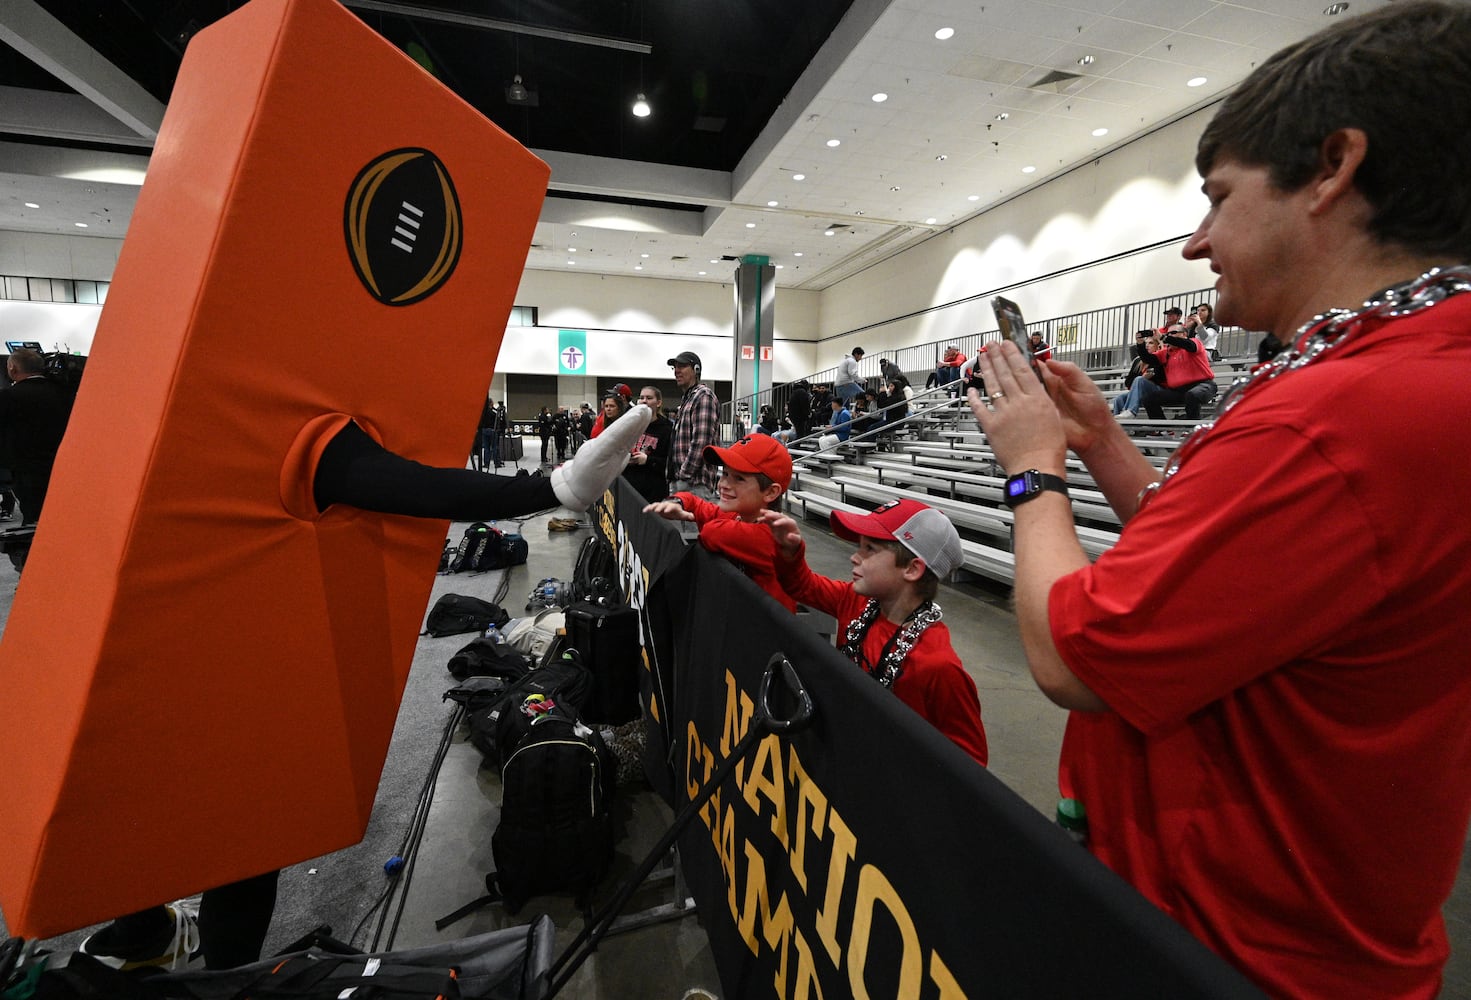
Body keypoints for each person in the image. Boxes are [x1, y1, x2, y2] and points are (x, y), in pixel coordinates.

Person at [965, 4, 1471, 995]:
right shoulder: (1406, 371)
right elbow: (1241, 584)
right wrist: (1106, 444)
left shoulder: (1337, 413)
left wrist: (1033, 468)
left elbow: (1072, 657)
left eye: (1218, 198)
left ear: (1331, 166)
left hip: (1225, 940)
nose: (1197, 244)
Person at [77, 402, 657, 970]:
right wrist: (553, 487)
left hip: (158, 634)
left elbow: (400, 484)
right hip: (203, 643)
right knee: (239, 820)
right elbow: (407, 485)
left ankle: (161, 938)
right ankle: (205, 961)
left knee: (199, 808)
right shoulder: (258, 408)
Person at [761, 499, 987, 765]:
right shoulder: (856, 601)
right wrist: (791, 552)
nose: (854, 556)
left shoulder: (938, 666)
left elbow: (970, 764)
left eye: (870, 549)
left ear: (912, 569)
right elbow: (803, 586)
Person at [644, 434, 798, 611]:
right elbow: (696, 503)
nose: (724, 484)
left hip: (766, 633)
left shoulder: (771, 535)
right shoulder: (737, 515)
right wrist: (678, 502)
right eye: (725, 473)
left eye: (739, 478)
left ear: (770, 492)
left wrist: (698, 514)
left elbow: (712, 533)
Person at [0, 348, 75, 526]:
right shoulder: (65, 393)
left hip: (27, 469)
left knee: (34, 519)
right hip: (64, 466)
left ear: (13, 368)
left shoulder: (9, 397)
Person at [666, 351, 720, 499]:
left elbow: (701, 442)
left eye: (682, 366)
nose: (677, 371)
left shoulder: (703, 396)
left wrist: (684, 474)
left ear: (696, 370)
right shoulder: (688, 398)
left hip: (695, 484)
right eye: (675, 367)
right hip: (683, 482)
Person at [1134, 324, 1217, 419]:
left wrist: (1164, 337)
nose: (1169, 335)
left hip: (1202, 385)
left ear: (1184, 334)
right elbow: (1148, 359)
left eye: (1173, 333)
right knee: (1149, 399)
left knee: (1192, 394)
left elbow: (1189, 345)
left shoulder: (1194, 342)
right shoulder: (1166, 352)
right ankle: (1162, 429)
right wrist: (1140, 345)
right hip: (1178, 391)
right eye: (1168, 333)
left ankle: (1190, 429)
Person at [623, 385, 673, 503]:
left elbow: (670, 463)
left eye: (649, 398)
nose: (644, 401)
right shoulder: (632, 423)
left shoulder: (667, 429)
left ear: (659, 403)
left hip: (652, 492)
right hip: (629, 485)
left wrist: (647, 460)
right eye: (641, 398)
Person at [1111, 331, 1165, 417]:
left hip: (1156, 390)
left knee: (1140, 380)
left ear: (1157, 346)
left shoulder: (1159, 358)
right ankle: (1117, 424)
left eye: (1150, 343)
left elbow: (1161, 378)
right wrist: (1143, 378)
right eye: (1146, 343)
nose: (1147, 345)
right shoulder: (1137, 361)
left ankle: (1130, 411)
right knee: (1119, 398)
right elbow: (1128, 382)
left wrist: (1145, 379)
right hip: (1139, 392)